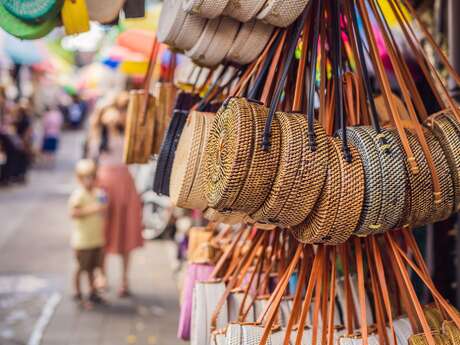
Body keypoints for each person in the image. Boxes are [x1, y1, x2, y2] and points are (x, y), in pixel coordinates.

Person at [87, 94, 143, 297]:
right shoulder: (97, 137)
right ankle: (101, 275)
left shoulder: (126, 132)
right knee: (104, 231)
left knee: (126, 230)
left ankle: (125, 279)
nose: (112, 115)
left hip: (124, 183)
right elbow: (91, 164)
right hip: (104, 185)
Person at [68, 159, 107, 306]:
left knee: (92, 268)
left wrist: (102, 208)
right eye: (85, 178)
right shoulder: (79, 195)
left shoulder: (99, 193)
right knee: (81, 267)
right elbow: (73, 213)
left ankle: (92, 292)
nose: (89, 181)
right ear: (79, 179)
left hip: (96, 239)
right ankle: (77, 292)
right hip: (82, 241)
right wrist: (93, 209)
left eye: (91, 177)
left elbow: (104, 207)